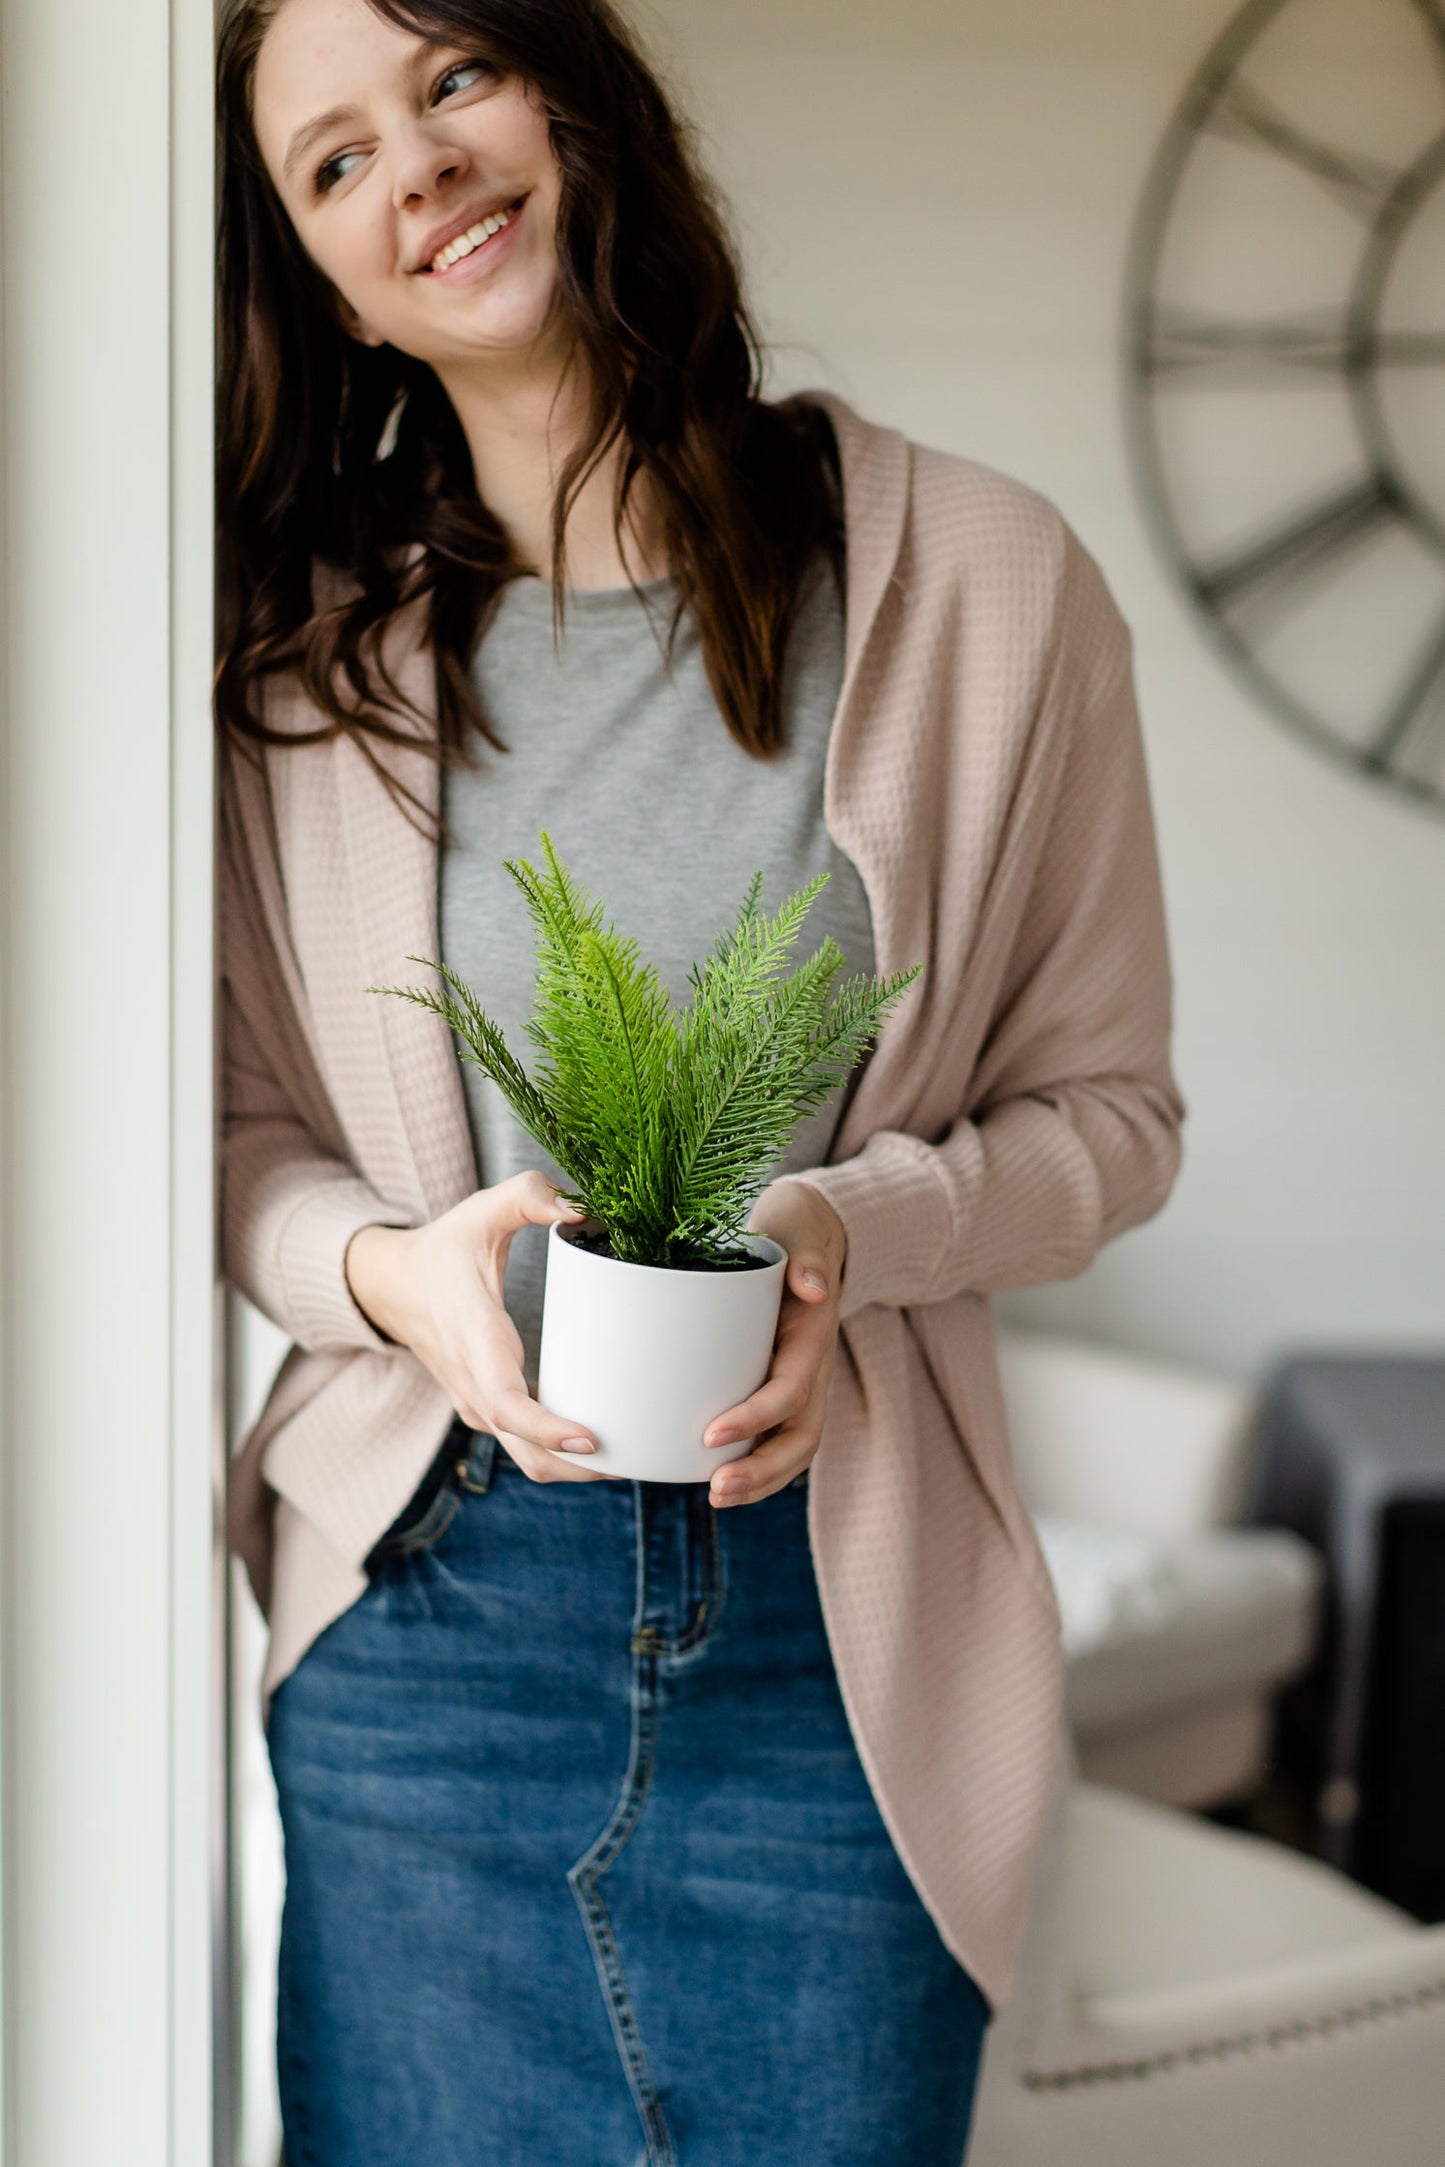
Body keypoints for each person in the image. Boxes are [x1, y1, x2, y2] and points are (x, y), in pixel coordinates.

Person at [215, 0, 1187, 2161]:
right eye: (337, 161)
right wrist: (394, 1277)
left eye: (454, 77)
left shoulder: (991, 592)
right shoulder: (290, 677)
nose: (423, 169)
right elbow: (224, 1147)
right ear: (317, 280)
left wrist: (850, 1223)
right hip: (431, 1640)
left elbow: (1115, 1114)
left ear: (574, 88)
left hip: (841, 1648)